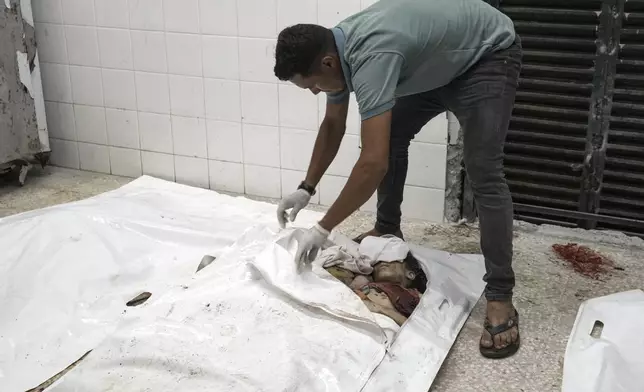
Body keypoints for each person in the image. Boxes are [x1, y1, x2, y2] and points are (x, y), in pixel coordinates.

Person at [273, 0, 522, 359]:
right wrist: (305, 188)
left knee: (484, 170)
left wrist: (323, 228)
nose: (315, 92)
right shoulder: (333, 50)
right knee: (389, 140)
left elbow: (371, 164)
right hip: (440, 62)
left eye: (312, 86)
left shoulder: (371, 56)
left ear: (327, 63)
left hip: (488, 55)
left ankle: (501, 294)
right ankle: (387, 230)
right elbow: (333, 125)